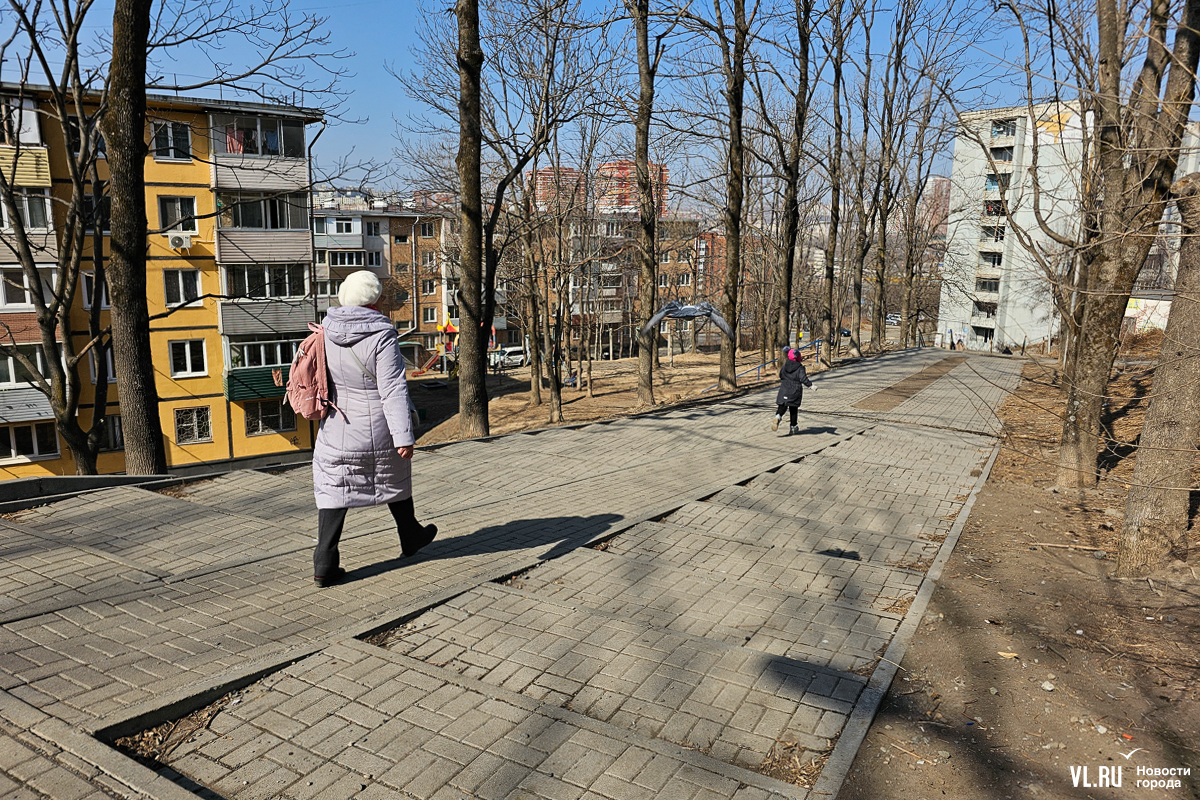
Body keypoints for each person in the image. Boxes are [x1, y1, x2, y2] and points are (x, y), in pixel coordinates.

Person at [311, 271, 436, 588]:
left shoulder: (326, 330)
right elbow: (392, 389)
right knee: (394, 475)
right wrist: (404, 436)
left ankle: (324, 563)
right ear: (374, 300)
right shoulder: (382, 335)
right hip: (377, 425)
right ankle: (410, 536)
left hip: (336, 424)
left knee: (334, 487)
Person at [773, 347, 814, 435]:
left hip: (784, 389)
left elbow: (781, 375)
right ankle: (793, 427)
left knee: (782, 406)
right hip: (795, 390)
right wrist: (810, 385)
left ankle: (778, 416)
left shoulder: (785, 366)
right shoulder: (800, 368)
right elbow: (803, 378)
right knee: (793, 409)